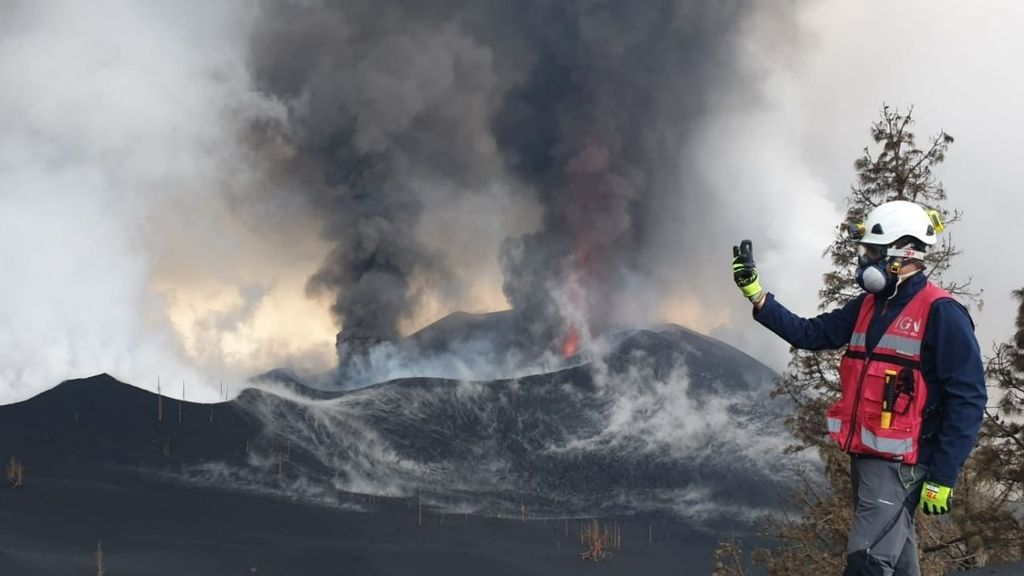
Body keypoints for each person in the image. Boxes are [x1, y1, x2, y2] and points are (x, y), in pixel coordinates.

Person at [731, 200, 987, 576]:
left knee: (866, 561)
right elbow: (811, 333)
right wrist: (757, 296)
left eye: (872, 252)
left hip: (903, 466)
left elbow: (969, 397)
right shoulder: (869, 305)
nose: (864, 261)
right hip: (867, 459)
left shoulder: (942, 313)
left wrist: (944, 476)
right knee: (898, 562)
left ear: (903, 253)